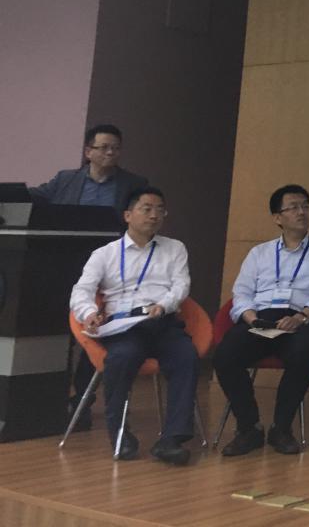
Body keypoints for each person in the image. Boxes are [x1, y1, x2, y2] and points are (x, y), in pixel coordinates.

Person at [68, 186, 198, 464]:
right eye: (146, 209)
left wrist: (163, 305)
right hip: (124, 326)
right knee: (121, 358)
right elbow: (81, 291)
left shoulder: (174, 248)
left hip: (161, 321)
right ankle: (120, 436)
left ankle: (172, 440)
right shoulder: (105, 254)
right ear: (128, 215)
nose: (154, 215)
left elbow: (181, 285)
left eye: (160, 210)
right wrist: (89, 313)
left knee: (186, 356)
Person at [32, 123, 149, 428]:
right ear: (88, 152)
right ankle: (52, 398)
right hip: (63, 264)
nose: (111, 153)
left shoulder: (133, 185)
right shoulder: (65, 180)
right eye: (104, 147)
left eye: (116, 148)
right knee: (60, 331)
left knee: (95, 330)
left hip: (110, 270)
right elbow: (36, 197)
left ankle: (82, 400)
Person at [214, 184, 309, 456]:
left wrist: (301, 317)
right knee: (225, 355)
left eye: (305, 206)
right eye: (293, 207)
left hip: (301, 320)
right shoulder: (259, 253)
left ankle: (281, 429)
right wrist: (251, 318)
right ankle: (249, 428)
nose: (301, 212)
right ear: (277, 217)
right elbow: (242, 292)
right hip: (261, 320)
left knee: (303, 354)